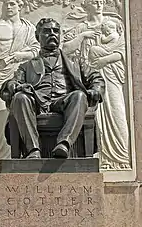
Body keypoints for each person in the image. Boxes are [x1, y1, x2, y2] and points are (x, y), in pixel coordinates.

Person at [0, 18, 105, 159]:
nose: (52, 34)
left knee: (79, 95)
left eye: (56, 31)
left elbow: (96, 79)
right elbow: (11, 83)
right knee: (20, 98)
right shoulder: (27, 66)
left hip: (64, 102)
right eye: (47, 31)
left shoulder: (75, 63)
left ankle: (64, 144)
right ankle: (33, 150)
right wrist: (17, 86)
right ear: (38, 37)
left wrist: (95, 90)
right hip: (36, 103)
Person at [63, 0, 130, 169]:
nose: (99, 4)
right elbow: (65, 49)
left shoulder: (114, 23)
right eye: (94, 1)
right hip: (85, 79)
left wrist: (103, 60)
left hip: (109, 76)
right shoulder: (81, 28)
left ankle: (119, 157)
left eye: (101, 1)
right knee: (85, 115)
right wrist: (82, 36)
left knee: (115, 111)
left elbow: (123, 49)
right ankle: (94, 157)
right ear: (86, 5)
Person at [0, 0, 39, 170]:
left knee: (21, 114)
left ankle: (19, 156)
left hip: (21, 76)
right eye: (6, 3)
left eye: (12, 3)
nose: (8, 6)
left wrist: (18, 56)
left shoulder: (30, 28)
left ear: (20, 5)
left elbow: (36, 51)